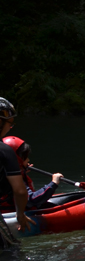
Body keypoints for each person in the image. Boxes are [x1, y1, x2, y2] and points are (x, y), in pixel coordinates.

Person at [0, 98, 34, 241]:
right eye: (10, 124)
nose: (10, 128)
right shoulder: (5, 151)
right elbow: (20, 191)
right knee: (12, 254)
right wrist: (20, 215)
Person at [0, 136, 64, 209]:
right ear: (17, 159)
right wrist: (53, 183)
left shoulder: (6, 174)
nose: (28, 160)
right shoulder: (12, 180)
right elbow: (31, 200)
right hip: (11, 212)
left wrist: (21, 172)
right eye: (25, 157)